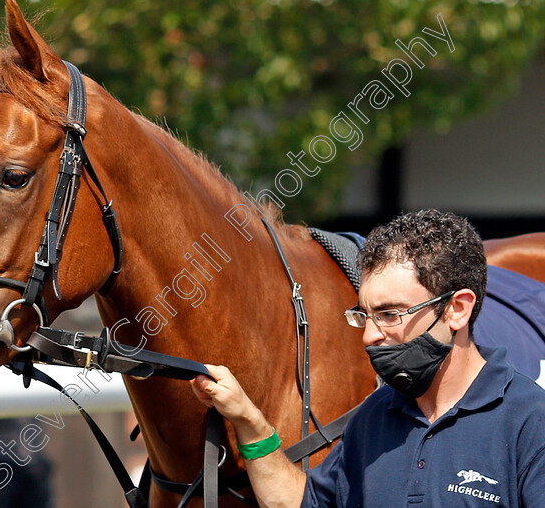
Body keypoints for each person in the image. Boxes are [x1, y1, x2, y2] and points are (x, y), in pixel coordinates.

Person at [191, 209, 545, 507]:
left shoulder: (530, 422)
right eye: (364, 315)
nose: (369, 336)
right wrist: (248, 419)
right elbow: (300, 502)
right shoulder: (375, 415)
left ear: (456, 309)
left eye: (390, 314)